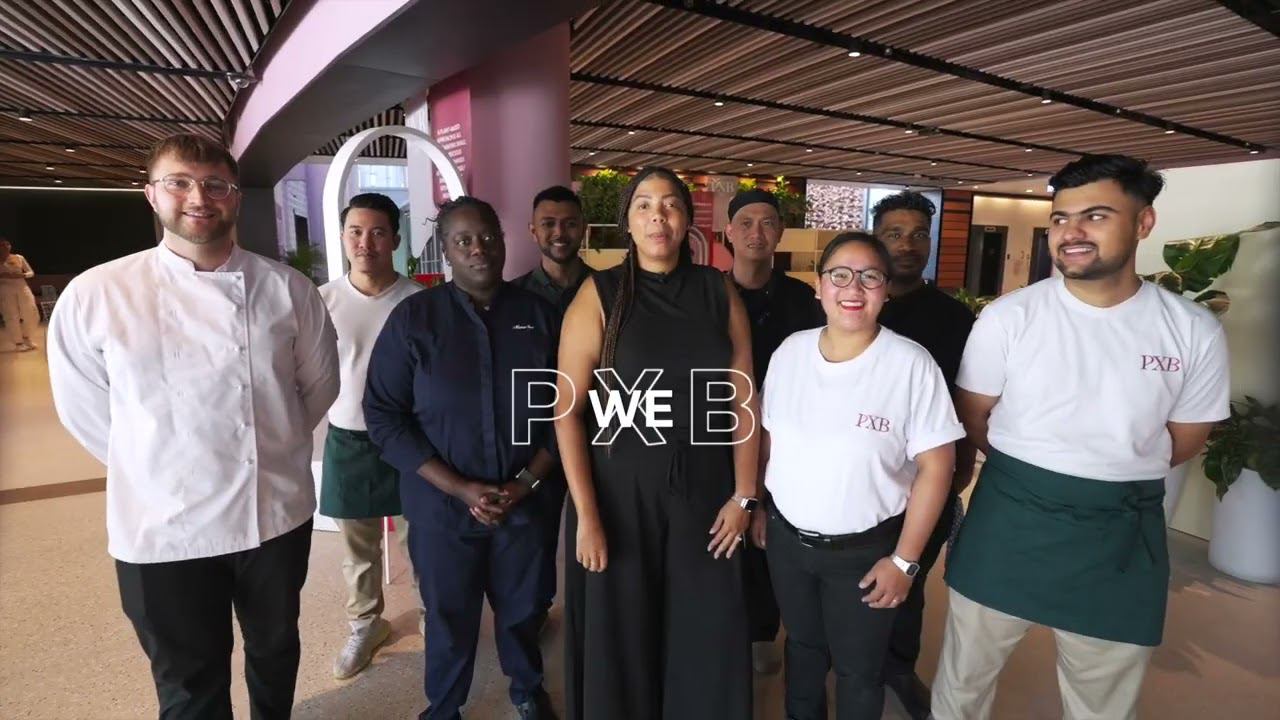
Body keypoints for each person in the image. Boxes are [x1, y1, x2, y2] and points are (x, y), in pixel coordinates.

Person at [47, 133, 339, 719]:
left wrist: (269, 442)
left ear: (236, 197)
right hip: (161, 523)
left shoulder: (288, 289)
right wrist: (158, 460)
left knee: (275, 650)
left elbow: (318, 387)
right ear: (151, 195)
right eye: (179, 183)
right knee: (188, 681)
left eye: (215, 185)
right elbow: (86, 411)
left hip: (271, 512)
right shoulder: (97, 294)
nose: (199, 198)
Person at [932, 155, 1231, 720]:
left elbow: (1186, 439)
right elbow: (974, 414)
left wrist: (1107, 464)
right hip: (1009, 519)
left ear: (1143, 222)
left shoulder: (1192, 329)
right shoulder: (1009, 316)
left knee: (1103, 704)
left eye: (1095, 216)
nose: (1071, 232)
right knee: (962, 685)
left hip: (1120, 531)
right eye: (1061, 218)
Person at [556, 166, 758, 719]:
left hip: (708, 491)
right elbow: (567, 413)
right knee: (624, 630)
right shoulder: (599, 294)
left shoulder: (717, 290)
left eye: (670, 204)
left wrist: (745, 495)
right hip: (620, 495)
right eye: (643, 205)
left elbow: (743, 400)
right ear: (627, 221)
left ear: (688, 219)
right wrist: (588, 516)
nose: (657, 216)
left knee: (705, 625)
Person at [364, 196, 561, 720]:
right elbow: (383, 415)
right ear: (446, 250)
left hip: (525, 503)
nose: (479, 249)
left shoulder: (540, 317)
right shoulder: (414, 319)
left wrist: (525, 482)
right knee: (449, 615)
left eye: (488, 237)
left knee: (523, 609)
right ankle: (445, 705)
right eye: (463, 240)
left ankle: (527, 689)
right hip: (441, 509)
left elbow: (566, 412)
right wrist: (458, 487)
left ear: (503, 241)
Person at [754, 231, 962, 720]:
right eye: (840, 275)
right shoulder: (790, 353)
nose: (854, 288)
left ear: (885, 289)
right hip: (788, 541)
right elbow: (767, 438)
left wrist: (905, 561)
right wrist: (761, 505)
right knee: (802, 649)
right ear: (820, 286)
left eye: (870, 277)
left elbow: (938, 466)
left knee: (858, 670)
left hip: (867, 553)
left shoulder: (910, 364)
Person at [869, 190, 976, 719]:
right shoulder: (855, 307)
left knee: (908, 579)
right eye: (894, 234)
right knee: (851, 574)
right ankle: (850, 661)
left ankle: (898, 666)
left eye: (918, 234)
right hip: (863, 477)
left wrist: (960, 470)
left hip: (926, 479)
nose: (907, 245)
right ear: (876, 239)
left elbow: (969, 402)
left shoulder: (954, 319)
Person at [318, 192, 425, 679]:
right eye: (356, 232)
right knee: (357, 551)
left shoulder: (419, 302)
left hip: (409, 439)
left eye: (378, 232)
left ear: (395, 241)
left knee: (420, 540)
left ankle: (431, 613)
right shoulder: (322, 300)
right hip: (347, 437)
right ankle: (365, 624)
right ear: (343, 238)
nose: (366, 242)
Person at [725, 188, 823, 675]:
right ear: (728, 232)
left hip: (784, 437)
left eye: (767, 222)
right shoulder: (708, 293)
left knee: (769, 535)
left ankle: (764, 629)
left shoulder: (803, 300)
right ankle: (721, 628)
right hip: (719, 435)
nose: (756, 232)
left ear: (780, 232)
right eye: (746, 222)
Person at [512, 184, 595, 627]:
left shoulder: (609, 290)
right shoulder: (513, 298)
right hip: (535, 440)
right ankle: (536, 610)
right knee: (535, 535)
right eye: (548, 224)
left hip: (597, 433)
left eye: (569, 223)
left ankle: (593, 613)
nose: (559, 233)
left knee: (598, 523)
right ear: (533, 230)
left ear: (583, 229)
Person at [0, 237, 40, 352]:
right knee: (11, 315)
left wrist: (22, 275)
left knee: (31, 312)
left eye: (6, 245)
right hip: (5, 288)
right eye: (2, 245)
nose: (5, 247)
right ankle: (18, 342)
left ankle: (26, 337)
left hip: (22, 286)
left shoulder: (19, 257)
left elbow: (31, 272)